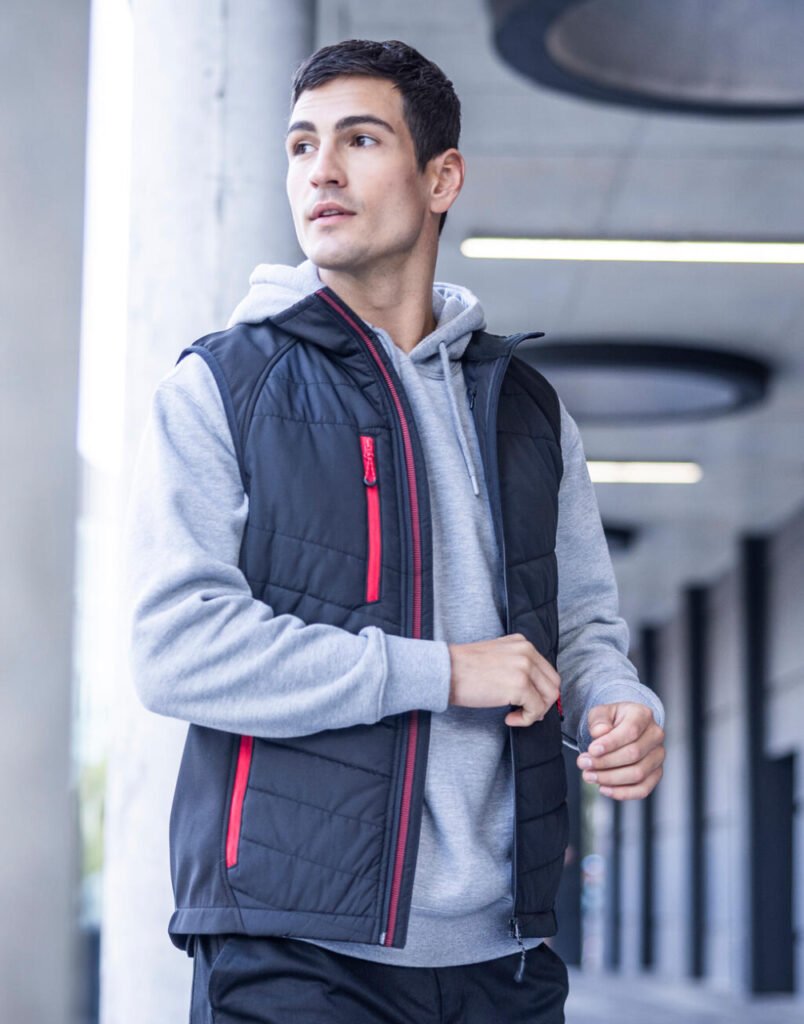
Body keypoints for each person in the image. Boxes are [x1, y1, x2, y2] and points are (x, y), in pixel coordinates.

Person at [126, 38, 666, 1024]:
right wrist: (442, 671)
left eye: (360, 140)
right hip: (296, 951)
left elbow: (581, 630)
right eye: (301, 145)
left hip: (506, 958)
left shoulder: (528, 412)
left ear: (441, 177)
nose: (321, 171)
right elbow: (177, 648)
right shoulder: (222, 387)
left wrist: (619, 706)